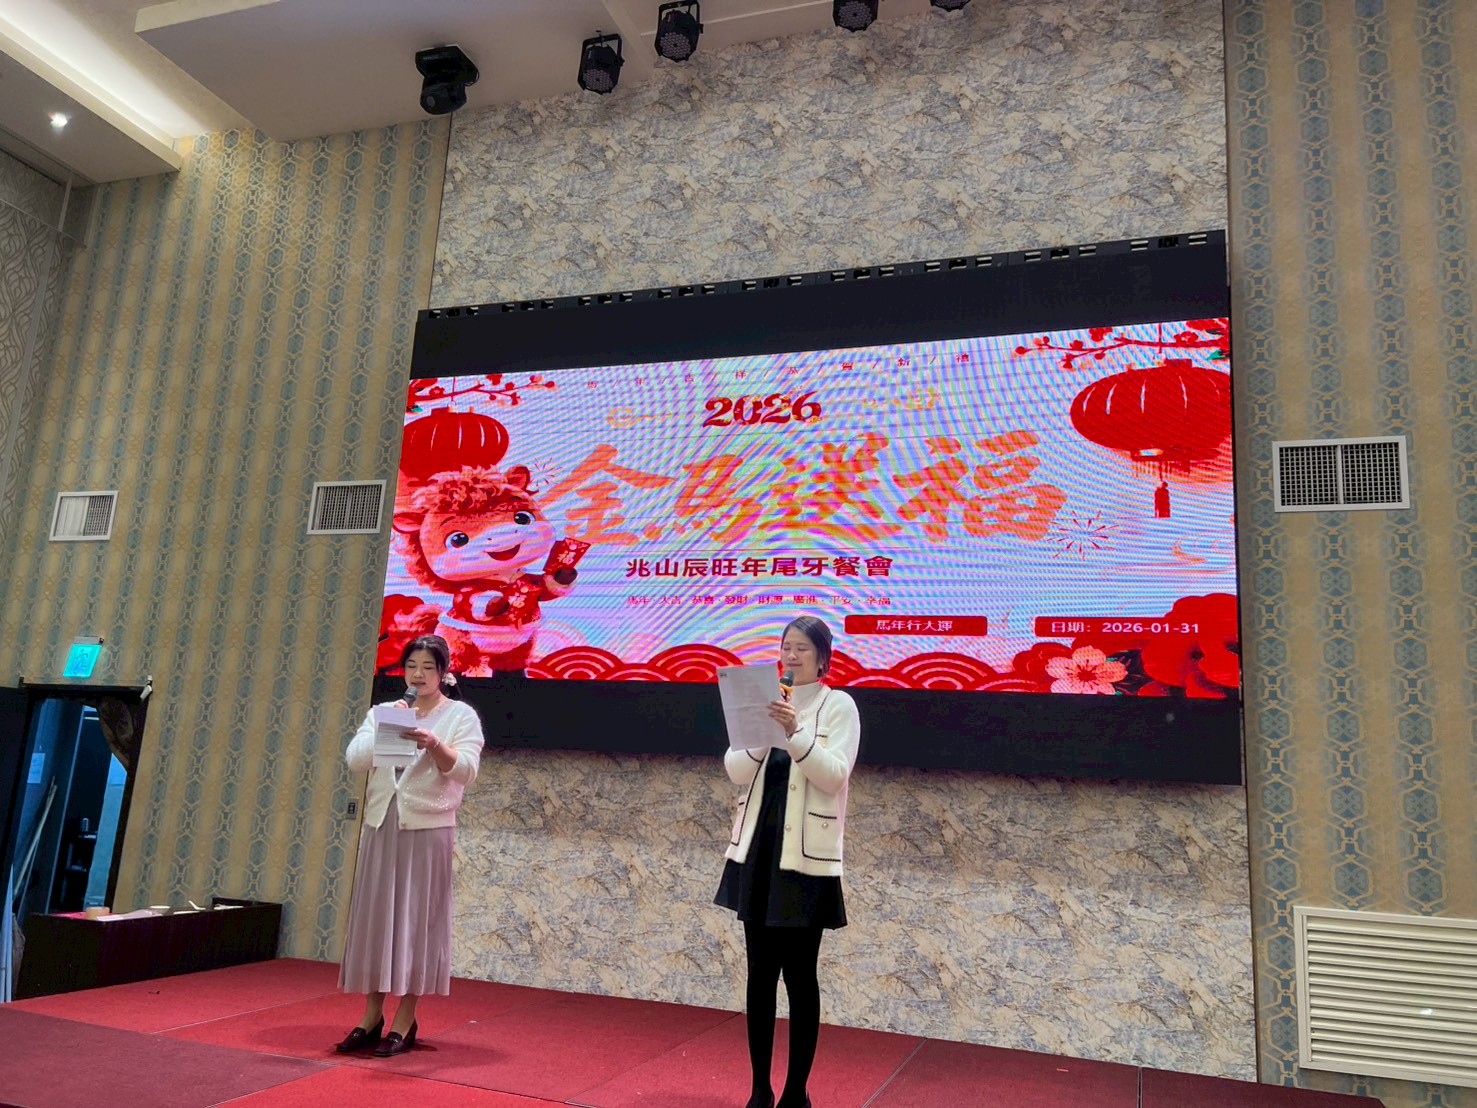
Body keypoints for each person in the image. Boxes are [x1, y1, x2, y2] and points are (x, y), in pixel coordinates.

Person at [715, 616, 861, 1108]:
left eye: (802, 649)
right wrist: (763, 730)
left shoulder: (838, 706)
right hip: (758, 854)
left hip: (805, 863)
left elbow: (833, 776)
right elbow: (736, 770)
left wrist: (794, 732)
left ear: (822, 659)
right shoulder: (769, 701)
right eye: (785, 647)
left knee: (800, 976)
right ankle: (760, 1088)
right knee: (759, 975)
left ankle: (797, 1092)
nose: (791, 656)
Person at [335, 634, 485, 1058]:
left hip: (428, 830)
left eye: (427, 668)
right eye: (411, 667)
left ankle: (405, 1019)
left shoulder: (460, 716)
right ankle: (371, 1016)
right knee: (377, 921)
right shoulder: (385, 712)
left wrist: (435, 744)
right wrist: (387, 727)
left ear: (444, 673)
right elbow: (356, 760)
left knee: (418, 923)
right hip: (382, 824)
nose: (417, 675)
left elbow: (467, 771)